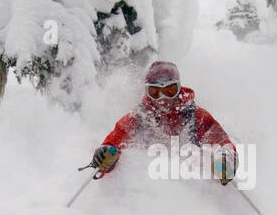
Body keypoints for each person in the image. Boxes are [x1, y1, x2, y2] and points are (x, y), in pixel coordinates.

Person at [91, 60, 237, 184]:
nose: (163, 98)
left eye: (170, 90)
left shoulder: (196, 116)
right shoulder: (138, 118)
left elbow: (223, 143)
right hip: (151, 188)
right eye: (155, 92)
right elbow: (113, 143)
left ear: (179, 89)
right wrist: (106, 156)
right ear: (147, 93)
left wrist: (224, 160)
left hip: (192, 186)